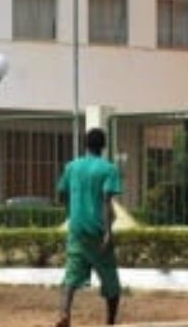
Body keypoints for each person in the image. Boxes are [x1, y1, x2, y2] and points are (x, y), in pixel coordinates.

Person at [56, 128, 122, 327]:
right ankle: (109, 322)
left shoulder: (71, 167)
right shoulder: (108, 169)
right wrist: (108, 232)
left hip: (76, 229)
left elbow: (61, 194)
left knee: (71, 276)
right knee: (111, 282)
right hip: (97, 231)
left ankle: (64, 314)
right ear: (103, 146)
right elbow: (105, 200)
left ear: (85, 144)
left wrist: (71, 211)